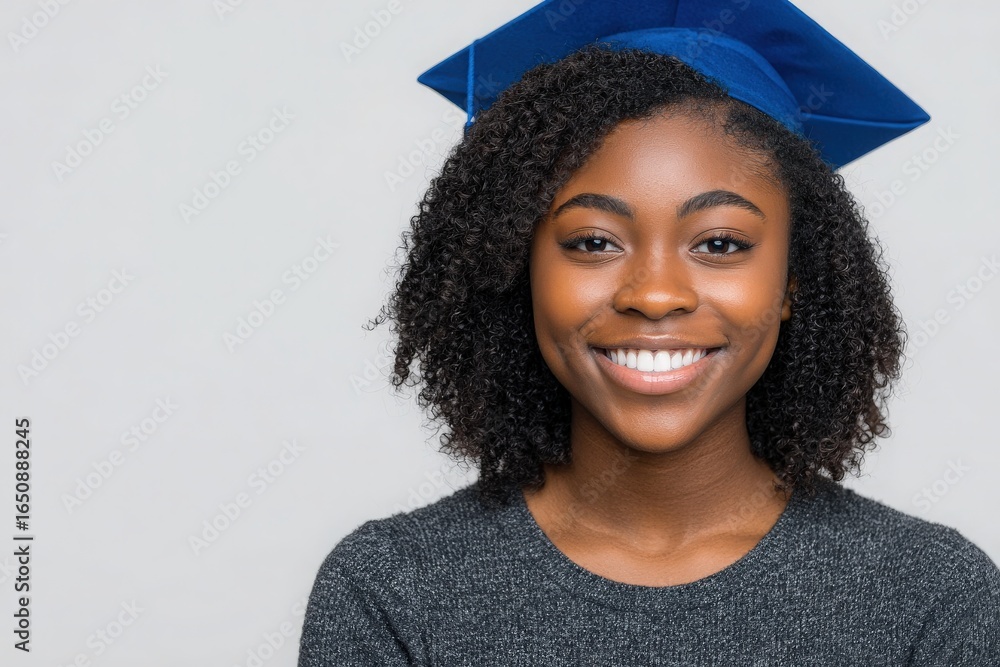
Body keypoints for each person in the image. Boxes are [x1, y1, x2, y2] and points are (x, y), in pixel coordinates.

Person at [299, 1, 1000, 664]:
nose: (655, 293)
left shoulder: (930, 602)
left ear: (794, 279)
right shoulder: (395, 594)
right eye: (594, 241)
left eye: (721, 243)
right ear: (520, 268)